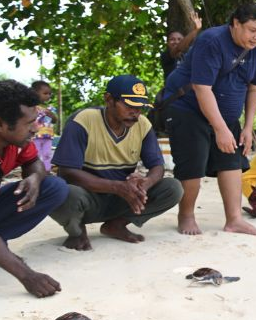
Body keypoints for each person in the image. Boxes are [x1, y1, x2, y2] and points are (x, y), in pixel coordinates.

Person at [163, 3, 256, 236]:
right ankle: (186, 215)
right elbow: (202, 88)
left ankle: (234, 219)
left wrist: (248, 126)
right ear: (236, 24)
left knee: (232, 161)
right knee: (193, 164)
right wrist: (220, 129)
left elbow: (254, 89)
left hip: (226, 114)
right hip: (189, 109)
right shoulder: (212, 41)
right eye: (252, 30)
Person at [50, 75, 182, 251]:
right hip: (87, 199)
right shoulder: (83, 120)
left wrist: (146, 182)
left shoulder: (143, 125)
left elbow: (157, 167)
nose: (135, 112)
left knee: (172, 188)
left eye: (139, 107)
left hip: (122, 199)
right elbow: (67, 172)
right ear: (109, 99)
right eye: (129, 105)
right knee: (62, 191)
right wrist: (118, 187)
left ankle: (116, 225)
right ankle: (77, 231)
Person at [0, 80, 70, 297]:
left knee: (54, 187)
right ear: (0, 123)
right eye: (29, 123)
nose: (36, 127)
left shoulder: (14, 141)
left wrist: (35, 179)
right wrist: (28, 276)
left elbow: (35, 163)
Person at [160, 11, 203, 81]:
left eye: (179, 39)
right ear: (167, 43)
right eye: (172, 39)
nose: (176, 42)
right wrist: (196, 30)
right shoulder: (166, 55)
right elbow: (179, 48)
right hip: (173, 90)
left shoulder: (188, 55)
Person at [31, 80, 58, 171]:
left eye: (50, 94)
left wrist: (50, 114)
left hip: (47, 136)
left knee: (47, 154)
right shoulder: (31, 107)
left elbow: (54, 120)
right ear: (34, 93)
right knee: (35, 154)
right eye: (45, 93)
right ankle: (35, 171)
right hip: (35, 136)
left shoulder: (49, 108)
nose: (48, 96)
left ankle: (47, 170)